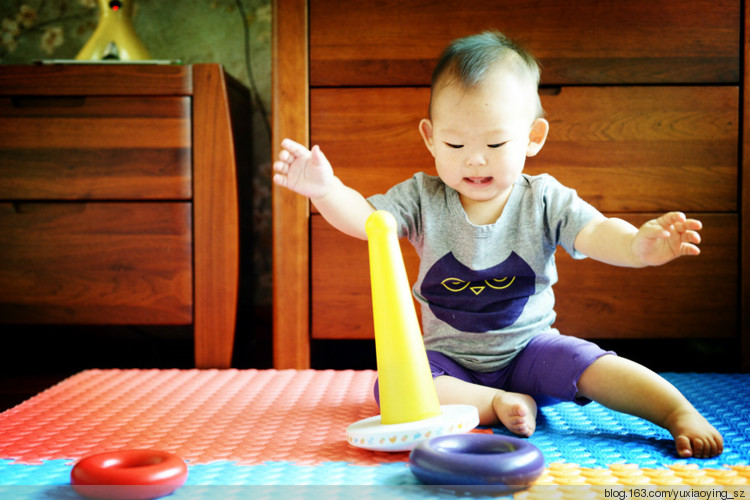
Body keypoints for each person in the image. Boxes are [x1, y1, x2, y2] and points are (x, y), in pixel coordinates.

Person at [272, 31, 723, 459]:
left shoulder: (545, 198)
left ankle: (674, 411)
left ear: (533, 137)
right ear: (430, 138)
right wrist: (326, 191)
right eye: (455, 142)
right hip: (449, 362)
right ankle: (498, 402)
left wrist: (639, 248)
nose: (475, 158)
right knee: (392, 387)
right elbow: (369, 223)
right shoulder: (422, 197)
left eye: (495, 142)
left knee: (594, 364)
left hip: (533, 351)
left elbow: (598, 232)